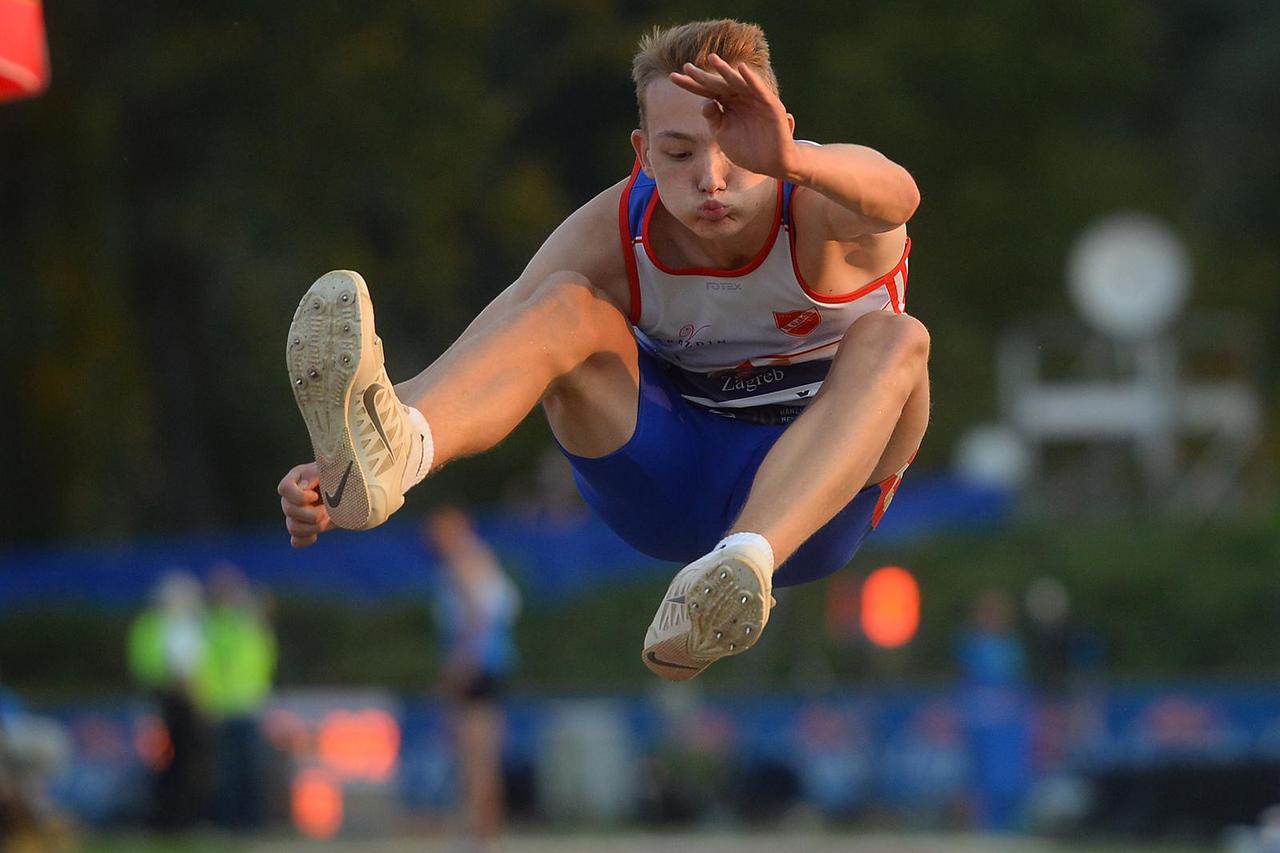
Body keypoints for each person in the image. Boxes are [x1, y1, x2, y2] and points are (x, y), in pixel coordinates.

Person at [278, 19, 928, 681]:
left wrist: (793, 162)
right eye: (680, 154)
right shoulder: (615, 230)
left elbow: (900, 194)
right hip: (668, 478)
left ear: (781, 130)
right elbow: (493, 344)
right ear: (642, 153)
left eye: (736, 149)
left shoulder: (823, 206)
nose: (711, 178)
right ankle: (401, 452)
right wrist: (345, 464)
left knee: (902, 338)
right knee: (561, 303)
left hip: (816, 507)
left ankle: (739, 567)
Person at [424, 507, 520, 844]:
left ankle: (478, 833)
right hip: (493, 664)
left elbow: (476, 617)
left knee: (472, 755)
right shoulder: (483, 558)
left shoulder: (462, 562)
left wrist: (459, 665)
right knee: (484, 754)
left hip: (476, 664)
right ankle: (485, 831)